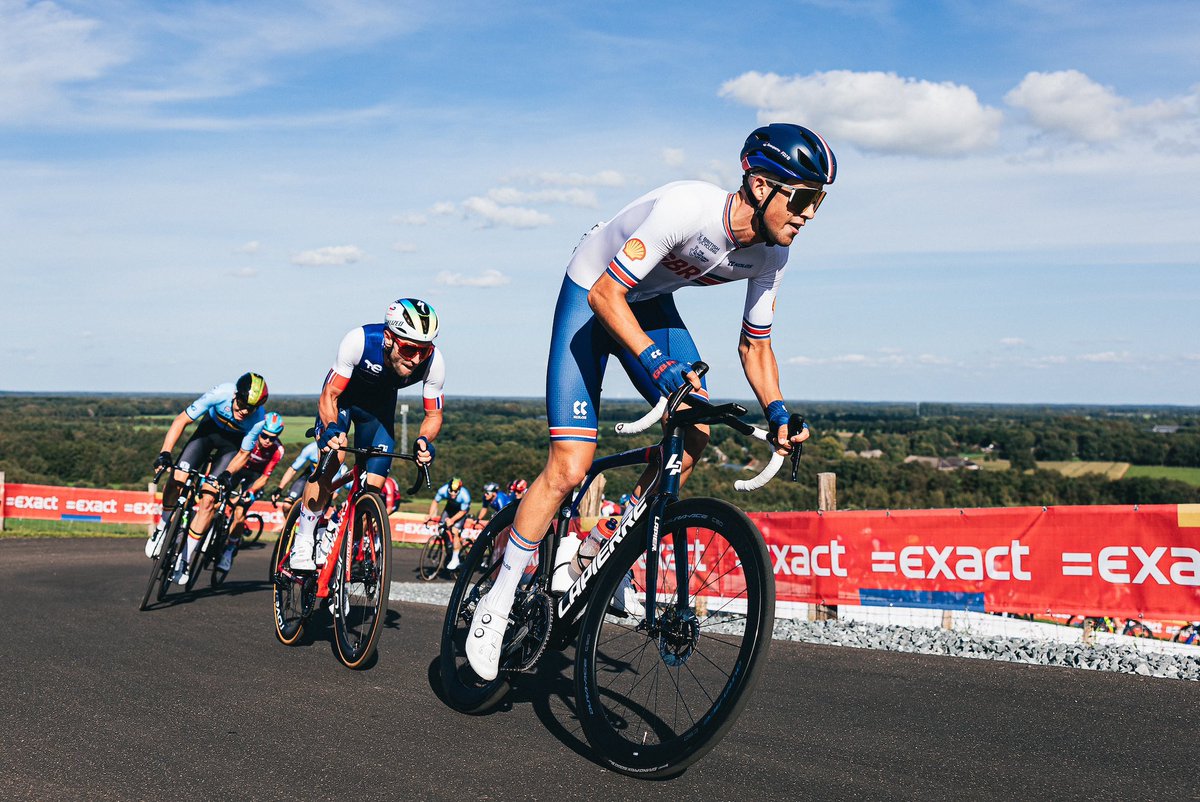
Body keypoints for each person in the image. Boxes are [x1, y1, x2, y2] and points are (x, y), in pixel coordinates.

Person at [465, 123, 829, 680]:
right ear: (760, 185)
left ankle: (598, 551)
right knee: (570, 467)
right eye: (802, 199)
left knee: (696, 430)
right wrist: (657, 365)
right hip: (593, 291)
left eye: (818, 202)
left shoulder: (771, 257)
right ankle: (498, 597)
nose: (808, 215)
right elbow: (605, 294)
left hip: (648, 302)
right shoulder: (688, 209)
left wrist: (777, 410)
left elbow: (756, 344)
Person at [288, 298, 443, 571]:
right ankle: (304, 539)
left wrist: (424, 441)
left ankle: (338, 531)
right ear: (388, 338)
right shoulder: (359, 341)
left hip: (378, 414)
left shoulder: (434, 361)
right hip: (342, 403)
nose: (417, 358)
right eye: (409, 349)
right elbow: (330, 394)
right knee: (333, 458)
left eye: (425, 350)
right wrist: (331, 428)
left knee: (373, 488)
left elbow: (433, 415)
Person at [147, 372, 270, 585]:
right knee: (177, 477)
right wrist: (165, 452)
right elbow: (182, 420)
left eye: (250, 409)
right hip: (206, 434)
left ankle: (186, 558)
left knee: (209, 500)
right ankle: (162, 528)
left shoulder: (258, 419)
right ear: (235, 395)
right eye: (241, 404)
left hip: (231, 447)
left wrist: (227, 474)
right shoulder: (221, 393)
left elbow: (243, 454)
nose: (244, 411)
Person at [221, 411, 286, 570]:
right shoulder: (249, 434)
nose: (267, 440)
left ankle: (229, 550)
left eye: (272, 438)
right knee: (217, 496)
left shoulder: (278, 450)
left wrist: (250, 492)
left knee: (240, 511)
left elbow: (264, 477)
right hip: (239, 468)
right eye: (264, 435)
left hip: (255, 477)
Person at [427, 476, 471, 570]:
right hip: (450, 508)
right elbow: (435, 502)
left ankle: (455, 559)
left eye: (456, 491)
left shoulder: (465, 495)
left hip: (461, 511)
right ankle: (449, 546)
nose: (453, 493)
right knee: (441, 528)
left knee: (455, 531)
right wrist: (430, 515)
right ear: (448, 488)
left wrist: (452, 520)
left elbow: (463, 512)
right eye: (451, 491)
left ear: (459, 490)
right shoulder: (442, 490)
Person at [271, 440, 319, 515]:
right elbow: (293, 469)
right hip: (310, 475)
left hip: (328, 482)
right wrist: (279, 489)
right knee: (287, 505)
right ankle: (287, 522)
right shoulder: (311, 449)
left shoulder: (336, 453)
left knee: (314, 510)